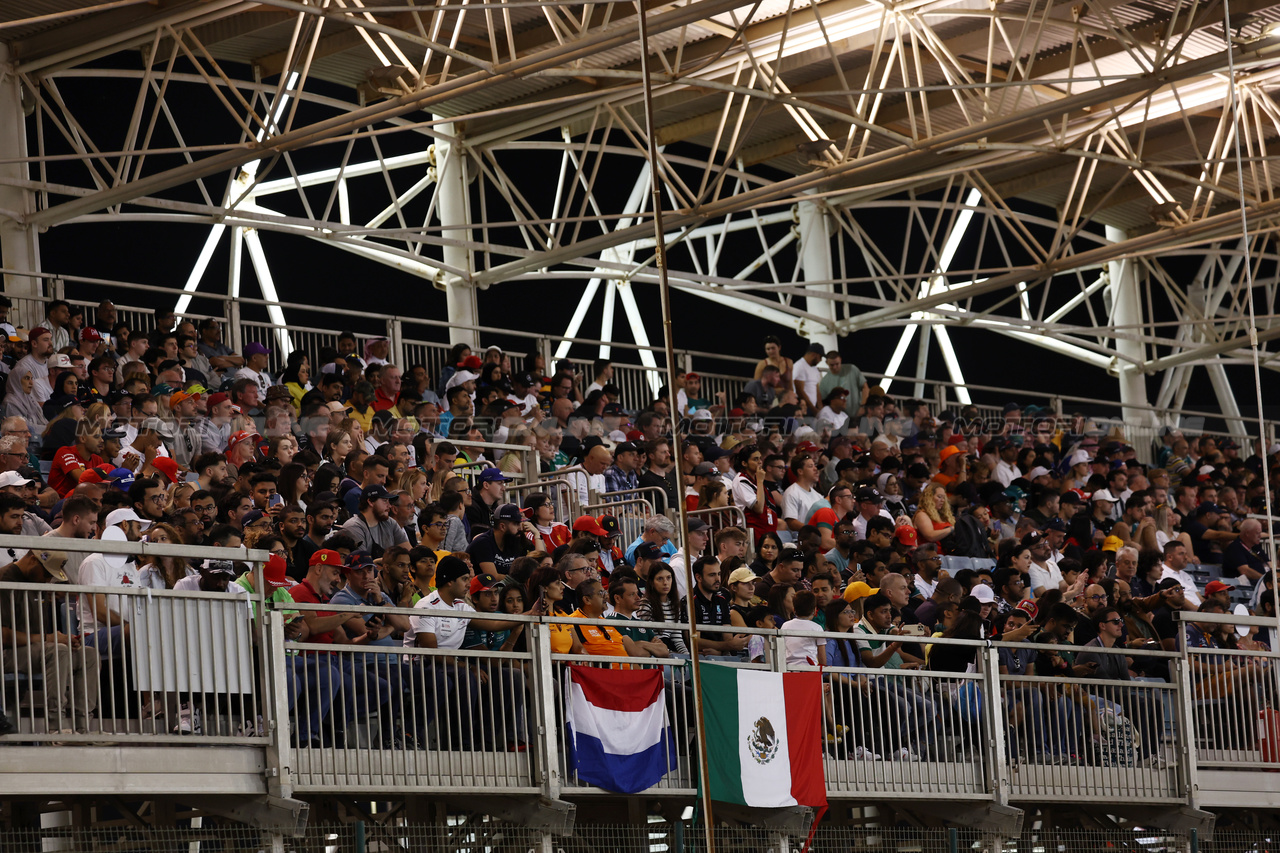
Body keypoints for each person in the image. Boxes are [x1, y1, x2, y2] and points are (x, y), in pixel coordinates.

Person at [0, 548, 100, 739]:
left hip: (37, 650)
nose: (48, 580)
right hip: (7, 653)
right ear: (32, 559)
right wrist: (49, 639)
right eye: (47, 573)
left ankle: (84, 728)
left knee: (89, 655)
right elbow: (3, 636)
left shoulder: (38, 582)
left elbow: (44, 637)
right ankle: (56, 727)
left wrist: (63, 639)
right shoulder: (4, 579)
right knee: (58, 651)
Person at [467, 503, 532, 577]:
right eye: (516, 524)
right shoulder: (483, 543)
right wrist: (522, 580)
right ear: (502, 526)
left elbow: (537, 563)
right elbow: (493, 577)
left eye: (521, 523)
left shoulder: (514, 539)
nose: (520, 528)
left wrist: (537, 535)